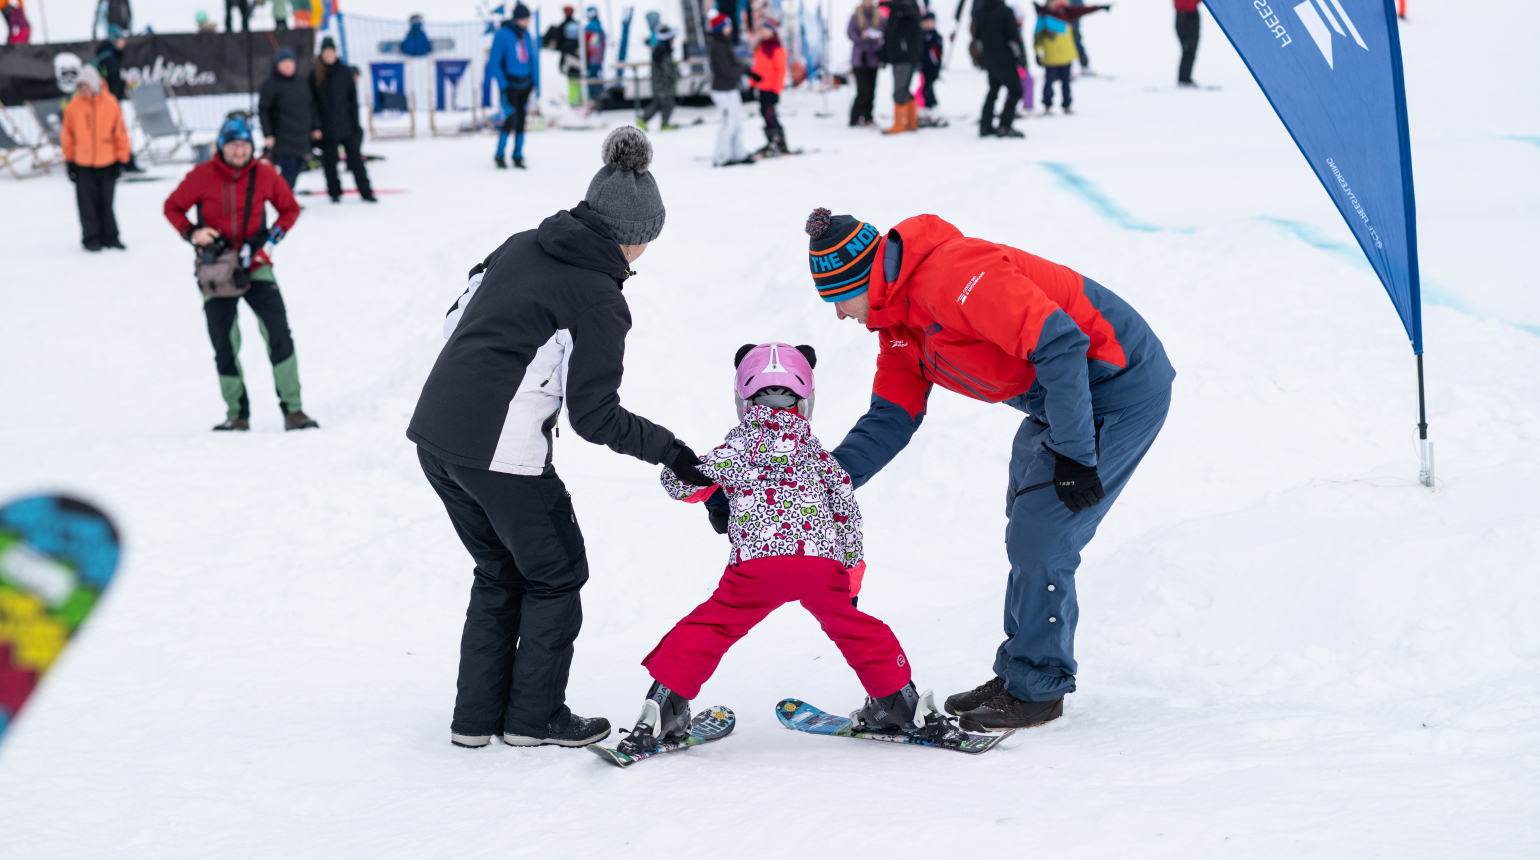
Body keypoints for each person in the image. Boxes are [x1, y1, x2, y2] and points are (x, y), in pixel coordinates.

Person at [807, 206, 1175, 731]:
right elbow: (891, 417)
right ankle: (1018, 673)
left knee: (1043, 538)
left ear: (863, 278)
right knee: (1023, 524)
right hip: (1060, 397)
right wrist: (820, 485)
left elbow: (1060, 341)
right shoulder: (898, 328)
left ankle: (1038, 688)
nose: (839, 315)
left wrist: (1075, 453)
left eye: (837, 299)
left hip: (1117, 385)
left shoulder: (954, 275)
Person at [408, 127, 708, 750]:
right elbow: (594, 417)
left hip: (435, 434)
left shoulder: (520, 244)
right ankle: (532, 718)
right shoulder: (598, 295)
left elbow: (454, 322)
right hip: (500, 453)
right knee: (556, 571)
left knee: (499, 569)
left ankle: (475, 721)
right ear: (637, 236)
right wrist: (674, 451)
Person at [613, 340, 967, 755]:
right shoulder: (820, 458)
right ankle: (900, 706)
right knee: (856, 630)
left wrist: (706, 489)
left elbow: (680, 482)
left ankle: (665, 709)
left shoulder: (737, 447)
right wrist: (848, 581)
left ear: (743, 400)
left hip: (759, 568)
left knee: (712, 626)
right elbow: (847, 517)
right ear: (806, 401)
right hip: (822, 565)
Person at [163, 115, 319, 432]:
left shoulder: (264, 174)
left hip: (255, 266)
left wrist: (271, 241)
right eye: (233, 145)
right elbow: (172, 206)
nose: (239, 151)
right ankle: (237, 414)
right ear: (222, 145)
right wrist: (193, 232)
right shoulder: (202, 174)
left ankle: (294, 410)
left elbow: (290, 208)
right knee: (224, 341)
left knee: (278, 333)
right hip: (216, 269)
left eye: (245, 144)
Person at [61, 65, 130, 252]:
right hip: (83, 163)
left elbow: (120, 132)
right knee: (87, 205)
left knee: (106, 202)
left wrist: (122, 159)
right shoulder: (74, 106)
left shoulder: (110, 103)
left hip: (107, 161)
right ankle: (91, 238)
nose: (84, 90)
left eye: (86, 86)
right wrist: (69, 161)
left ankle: (111, 237)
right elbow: (67, 135)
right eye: (80, 86)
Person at [310, 37, 375, 202]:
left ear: (336, 52)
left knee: (356, 162)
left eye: (331, 51)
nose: (329, 55)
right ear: (322, 54)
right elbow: (312, 104)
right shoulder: (314, 75)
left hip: (347, 126)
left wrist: (355, 125)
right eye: (326, 52)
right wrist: (316, 126)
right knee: (330, 163)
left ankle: (366, 192)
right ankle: (334, 193)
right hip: (326, 127)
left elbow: (353, 101)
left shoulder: (346, 72)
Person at [258, 45, 319, 188]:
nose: (287, 66)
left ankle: (288, 199)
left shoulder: (301, 81)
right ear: (277, 65)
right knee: (288, 172)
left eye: (290, 63)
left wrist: (315, 127)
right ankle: (285, 203)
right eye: (284, 63)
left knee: (297, 169)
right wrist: (268, 134)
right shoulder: (270, 84)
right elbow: (264, 111)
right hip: (283, 138)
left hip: (302, 136)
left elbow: (311, 106)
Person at [488, 3, 539, 169]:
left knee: (521, 121)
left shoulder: (526, 34)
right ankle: (499, 155)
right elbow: (494, 63)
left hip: (525, 84)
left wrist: (534, 81)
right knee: (510, 119)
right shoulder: (503, 35)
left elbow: (532, 59)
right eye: (526, 18)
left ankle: (517, 155)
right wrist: (504, 86)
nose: (529, 21)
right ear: (518, 19)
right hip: (511, 85)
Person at [1034, 1, 1108, 113]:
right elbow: (1037, 37)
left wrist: (1099, 7)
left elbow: (1083, 10)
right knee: (1049, 83)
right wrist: (1037, 53)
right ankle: (1047, 106)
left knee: (1066, 83)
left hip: (1067, 55)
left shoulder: (1066, 11)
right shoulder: (1044, 16)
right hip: (1051, 56)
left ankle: (1067, 106)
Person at [92, 24, 144, 173]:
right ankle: (125, 163)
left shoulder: (105, 54)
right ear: (114, 40)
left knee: (113, 132)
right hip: (110, 102)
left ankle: (121, 162)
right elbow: (112, 80)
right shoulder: (110, 57)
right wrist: (124, 83)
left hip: (107, 102)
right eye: (121, 39)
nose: (124, 42)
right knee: (118, 133)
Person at [706, 11, 751, 167]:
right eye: (727, 25)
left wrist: (746, 70)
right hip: (723, 91)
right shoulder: (718, 46)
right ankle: (721, 157)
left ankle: (739, 154)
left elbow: (732, 66)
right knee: (728, 124)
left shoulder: (724, 43)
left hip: (731, 89)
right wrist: (743, 69)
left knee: (737, 122)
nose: (730, 28)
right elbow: (726, 70)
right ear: (721, 28)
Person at [975, 0, 1025, 137]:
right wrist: (1020, 57)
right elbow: (1013, 37)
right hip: (1005, 59)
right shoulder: (1005, 11)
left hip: (989, 59)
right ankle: (1005, 125)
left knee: (993, 90)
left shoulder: (981, 12)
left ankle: (985, 126)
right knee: (1016, 91)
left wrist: (983, 57)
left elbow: (978, 38)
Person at [879, 0, 922, 134]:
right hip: (898, 56)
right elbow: (889, 36)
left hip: (905, 56)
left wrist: (893, 5)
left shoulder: (908, 7)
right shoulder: (896, 11)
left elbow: (914, 18)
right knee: (904, 89)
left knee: (899, 90)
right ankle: (910, 122)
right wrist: (884, 56)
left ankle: (899, 124)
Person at [747, 20, 787, 156]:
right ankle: (771, 140)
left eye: (766, 30)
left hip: (771, 88)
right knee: (764, 113)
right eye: (762, 30)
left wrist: (777, 89)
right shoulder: (760, 47)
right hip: (762, 87)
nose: (763, 33)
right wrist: (752, 83)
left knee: (770, 114)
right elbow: (756, 67)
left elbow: (781, 70)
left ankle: (778, 141)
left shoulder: (776, 49)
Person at [846, 0, 883, 127]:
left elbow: (885, 30)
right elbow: (850, 33)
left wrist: (879, 36)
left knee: (872, 90)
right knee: (862, 90)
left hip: (873, 58)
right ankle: (855, 116)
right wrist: (861, 36)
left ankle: (868, 116)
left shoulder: (879, 15)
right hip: (860, 58)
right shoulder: (856, 15)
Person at [637, 25, 677, 131]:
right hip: (662, 84)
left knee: (660, 103)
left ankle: (649, 121)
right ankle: (660, 123)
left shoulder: (660, 50)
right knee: (666, 103)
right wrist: (676, 73)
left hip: (659, 83)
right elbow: (669, 71)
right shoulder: (664, 53)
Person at [542, 5, 583, 107]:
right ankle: (579, 100)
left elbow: (556, 43)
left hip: (569, 61)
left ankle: (574, 101)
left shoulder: (561, 27)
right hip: (578, 60)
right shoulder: (577, 26)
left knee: (572, 81)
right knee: (579, 81)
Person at [918, 12, 943, 116]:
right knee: (925, 87)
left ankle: (931, 106)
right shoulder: (921, 35)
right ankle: (927, 107)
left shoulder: (936, 36)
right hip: (923, 66)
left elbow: (939, 53)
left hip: (933, 67)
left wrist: (938, 65)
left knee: (929, 87)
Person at [1174, 0, 1200, 86]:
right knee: (1189, 51)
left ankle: (1184, 78)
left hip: (1184, 16)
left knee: (1188, 51)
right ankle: (1184, 79)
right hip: (1187, 17)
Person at [583, 7, 606, 102]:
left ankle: (595, 98)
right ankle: (598, 96)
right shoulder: (599, 27)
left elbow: (592, 46)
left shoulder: (591, 29)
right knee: (597, 76)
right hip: (598, 58)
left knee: (592, 77)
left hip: (593, 58)